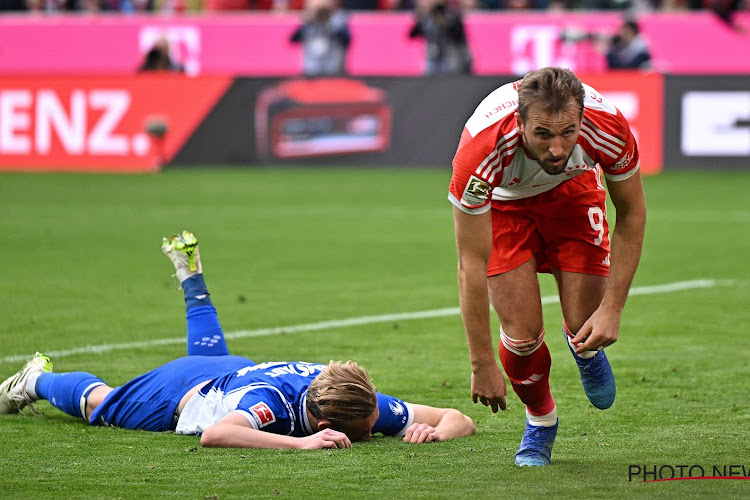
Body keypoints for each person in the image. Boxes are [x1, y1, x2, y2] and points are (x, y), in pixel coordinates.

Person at [0, 231, 475, 450]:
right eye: (368, 428)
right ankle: (38, 378)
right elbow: (216, 433)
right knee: (100, 405)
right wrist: (301, 448)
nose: (377, 431)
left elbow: (459, 418)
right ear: (327, 421)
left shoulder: (358, 400)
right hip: (181, 393)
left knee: (215, 357)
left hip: (231, 371)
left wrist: (433, 430)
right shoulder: (270, 407)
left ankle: (193, 278)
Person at [449, 67, 646, 466]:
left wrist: (614, 308)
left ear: (582, 120)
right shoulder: (482, 146)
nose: (557, 148)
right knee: (521, 338)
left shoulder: (606, 125)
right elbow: (471, 262)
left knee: (585, 321)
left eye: (567, 133)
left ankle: (585, 352)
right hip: (504, 207)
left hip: (572, 196)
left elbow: (632, 213)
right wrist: (481, 361)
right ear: (519, 123)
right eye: (543, 134)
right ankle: (541, 421)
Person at [408, 0, 472, 76]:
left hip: (454, 63)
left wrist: (446, 24)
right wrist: (420, 19)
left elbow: (458, 36)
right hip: (434, 62)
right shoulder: (427, 19)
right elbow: (412, 34)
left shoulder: (452, 16)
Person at [290, 0, 351, 77]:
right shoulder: (308, 22)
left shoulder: (338, 19)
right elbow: (293, 39)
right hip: (311, 71)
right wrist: (307, 21)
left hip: (333, 70)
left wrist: (330, 23)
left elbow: (347, 40)